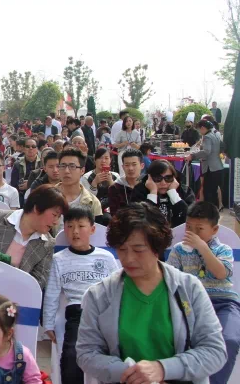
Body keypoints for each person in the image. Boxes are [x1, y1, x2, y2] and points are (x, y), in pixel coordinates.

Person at [76, 202, 227, 384]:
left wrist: (163, 369)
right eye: (122, 250)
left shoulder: (189, 288)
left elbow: (214, 351)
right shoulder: (99, 295)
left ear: (157, 248)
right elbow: (87, 353)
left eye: (138, 249)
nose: (128, 258)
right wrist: (132, 374)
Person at [166, 202, 239, 383]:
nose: (193, 233)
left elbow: (221, 273)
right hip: (190, 304)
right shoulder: (179, 250)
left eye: (199, 229)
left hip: (223, 302)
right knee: (180, 340)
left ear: (214, 230)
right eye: (189, 227)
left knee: (229, 340)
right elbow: (169, 278)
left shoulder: (223, 250)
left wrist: (203, 248)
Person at [43, 207, 118, 384]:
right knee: (71, 354)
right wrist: (48, 324)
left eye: (81, 226)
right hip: (77, 312)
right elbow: (52, 293)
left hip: (103, 311)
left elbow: (117, 288)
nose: (75, 231)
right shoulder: (58, 259)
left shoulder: (106, 257)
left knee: (113, 353)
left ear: (92, 229)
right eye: (70, 226)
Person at [131, 159, 195, 228]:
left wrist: (173, 194)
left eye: (168, 178)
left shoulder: (184, 191)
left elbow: (191, 217)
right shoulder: (140, 191)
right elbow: (139, 220)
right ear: (150, 179)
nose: (163, 183)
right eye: (158, 178)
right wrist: (153, 193)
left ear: (174, 178)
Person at [56, 149, 103, 229]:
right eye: (63, 166)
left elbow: (96, 232)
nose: (66, 171)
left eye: (72, 166)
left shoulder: (92, 202)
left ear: (82, 170)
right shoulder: (47, 196)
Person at [186, 119, 224, 208]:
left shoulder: (207, 137)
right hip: (217, 166)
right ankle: (214, 210)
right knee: (213, 191)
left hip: (210, 168)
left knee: (208, 192)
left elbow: (206, 151)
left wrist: (193, 155)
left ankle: (209, 211)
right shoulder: (215, 135)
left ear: (203, 128)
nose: (200, 132)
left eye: (199, 129)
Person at [80, 148, 118, 221]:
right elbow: (87, 200)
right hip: (93, 210)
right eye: (100, 158)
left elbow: (118, 196)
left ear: (110, 160)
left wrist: (111, 182)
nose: (103, 161)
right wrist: (94, 183)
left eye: (106, 158)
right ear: (95, 160)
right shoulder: (87, 177)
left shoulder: (115, 176)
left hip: (111, 209)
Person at [108, 149, 143, 217]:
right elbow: (115, 215)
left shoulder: (148, 185)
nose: (130, 168)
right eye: (127, 165)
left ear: (142, 166)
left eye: (134, 164)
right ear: (123, 167)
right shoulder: (115, 188)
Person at [10, 139, 41, 207]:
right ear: (24, 149)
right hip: (21, 196)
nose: (30, 148)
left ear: (37, 149)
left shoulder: (42, 163)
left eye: (33, 146)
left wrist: (29, 184)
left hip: (39, 195)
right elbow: (13, 184)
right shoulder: (17, 164)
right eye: (28, 146)